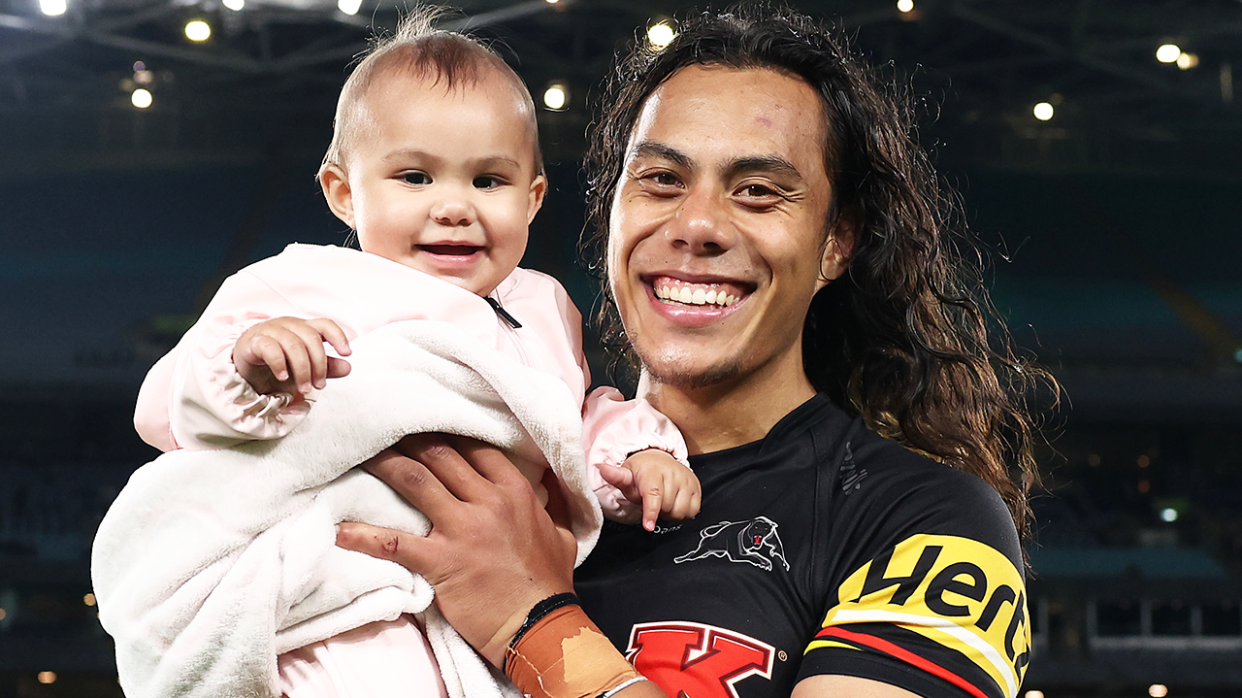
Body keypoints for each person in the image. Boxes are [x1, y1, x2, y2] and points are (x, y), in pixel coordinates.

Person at [336, 5, 1055, 698]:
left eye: (758, 191)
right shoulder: (492, 462)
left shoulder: (925, 521)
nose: (699, 223)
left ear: (837, 242)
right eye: (661, 180)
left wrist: (531, 621)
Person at [100, 11, 702, 698]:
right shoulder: (297, 283)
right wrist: (250, 366)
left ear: (533, 198)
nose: (453, 207)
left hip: (473, 616)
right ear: (342, 193)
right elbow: (167, 409)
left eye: (488, 181)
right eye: (415, 178)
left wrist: (638, 453)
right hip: (338, 595)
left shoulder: (544, 306)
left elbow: (566, 423)